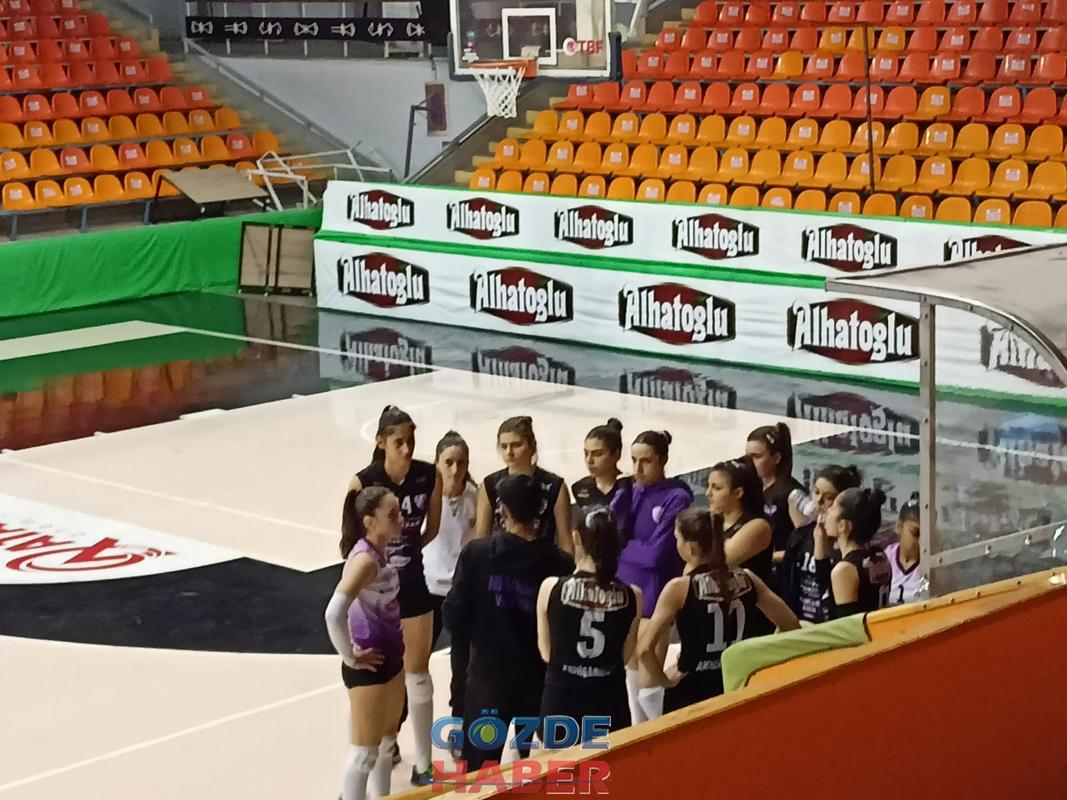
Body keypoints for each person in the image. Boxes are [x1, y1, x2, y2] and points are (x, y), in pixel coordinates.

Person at [444, 473, 574, 772]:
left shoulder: (476, 554)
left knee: (479, 771)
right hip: (537, 681)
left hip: (488, 679)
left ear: (502, 512)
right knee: (533, 771)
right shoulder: (560, 563)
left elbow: (454, 616)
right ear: (541, 509)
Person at [349, 405, 441, 786]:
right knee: (382, 678)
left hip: (413, 583)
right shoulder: (363, 482)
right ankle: (378, 766)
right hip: (374, 596)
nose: (406, 448)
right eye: (398, 441)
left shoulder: (428, 475)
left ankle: (425, 765)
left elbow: (431, 529)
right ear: (381, 442)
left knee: (418, 674)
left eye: (410, 440)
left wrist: (404, 556)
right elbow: (349, 541)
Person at [637, 508, 800, 713]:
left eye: (677, 539)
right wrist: (759, 656)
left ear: (691, 547)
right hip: (737, 685)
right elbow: (791, 624)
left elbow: (645, 649)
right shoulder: (747, 578)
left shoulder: (679, 588)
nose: (675, 544)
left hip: (692, 693)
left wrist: (665, 681)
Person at [324, 487, 407, 800]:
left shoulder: (382, 552)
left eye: (399, 511)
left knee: (386, 745)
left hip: (391, 659)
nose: (401, 519)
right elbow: (333, 613)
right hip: (368, 667)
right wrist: (350, 656)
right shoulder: (365, 561)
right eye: (392, 514)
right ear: (370, 522)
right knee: (364, 754)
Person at [609, 430, 693, 725]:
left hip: (655, 594)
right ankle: (639, 732)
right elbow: (610, 538)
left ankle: (662, 732)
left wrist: (624, 549)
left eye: (646, 461)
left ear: (662, 460)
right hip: (626, 589)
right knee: (630, 673)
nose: (637, 468)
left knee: (648, 679)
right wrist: (621, 497)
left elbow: (656, 555)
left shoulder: (677, 496)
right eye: (633, 460)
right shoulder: (630, 492)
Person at [536, 508, 641, 736]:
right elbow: (625, 655)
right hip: (609, 702)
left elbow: (546, 652)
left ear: (576, 538)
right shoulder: (633, 594)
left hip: (561, 701)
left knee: (557, 760)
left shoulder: (551, 587)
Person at [422, 431, 478, 725]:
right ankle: (395, 727)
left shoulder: (477, 497)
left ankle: (458, 724)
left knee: (463, 666)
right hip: (428, 589)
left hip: (462, 591)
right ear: (437, 463)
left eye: (461, 462)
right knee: (415, 664)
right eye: (448, 462)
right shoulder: (424, 497)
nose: (455, 470)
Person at [475, 416, 573, 555]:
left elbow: (565, 538)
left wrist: (566, 564)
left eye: (516, 445)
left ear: (531, 446)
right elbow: (481, 536)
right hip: (501, 559)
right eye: (504, 446)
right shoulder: (490, 484)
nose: (509, 452)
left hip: (541, 559)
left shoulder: (554, 485)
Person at [779, 465, 863, 623]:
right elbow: (789, 582)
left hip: (829, 623)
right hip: (800, 621)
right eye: (816, 492)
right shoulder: (802, 534)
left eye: (829, 497)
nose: (819, 501)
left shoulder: (849, 546)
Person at [816, 487, 893, 618]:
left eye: (833, 508)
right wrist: (819, 540)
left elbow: (846, 624)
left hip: (858, 630)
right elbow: (825, 586)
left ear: (844, 526)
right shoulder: (880, 555)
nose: (827, 511)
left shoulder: (845, 570)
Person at [745, 423, 804, 571]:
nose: (749, 462)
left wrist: (770, 557)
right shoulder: (748, 488)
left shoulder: (792, 494)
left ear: (776, 458)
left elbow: (805, 545)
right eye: (747, 456)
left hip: (779, 572)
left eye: (756, 456)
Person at [706, 457, 774, 583]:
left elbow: (718, 564)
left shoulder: (758, 526)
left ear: (738, 493)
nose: (708, 493)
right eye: (708, 486)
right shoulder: (714, 520)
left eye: (717, 488)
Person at [572, 418, 628, 514]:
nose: (589, 460)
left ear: (616, 455)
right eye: (586, 453)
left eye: (597, 454)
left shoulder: (630, 487)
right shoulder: (579, 488)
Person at [887, 492, 923, 605]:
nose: (921, 541)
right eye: (915, 533)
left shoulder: (934, 566)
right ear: (899, 527)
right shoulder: (885, 560)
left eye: (927, 535)